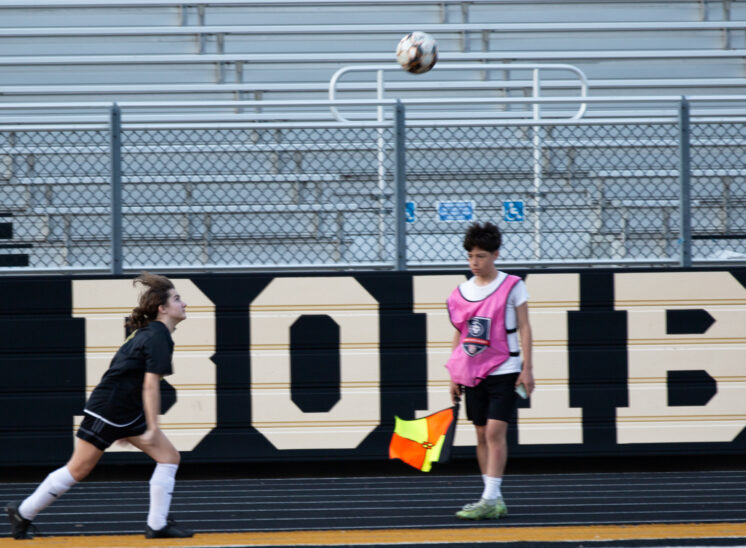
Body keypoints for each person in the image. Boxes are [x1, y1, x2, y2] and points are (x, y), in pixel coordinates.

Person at [5, 272, 194, 539]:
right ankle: (23, 512)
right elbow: (150, 385)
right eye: (177, 299)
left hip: (126, 412)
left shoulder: (151, 334)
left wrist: (132, 425)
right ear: (162, 308)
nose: (184, 303)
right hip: (109, 410)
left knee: (169, 457)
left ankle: (157, 525)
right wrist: (152, 427)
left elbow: (127, 374)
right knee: (78, 468)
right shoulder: (157, 336)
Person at [445, 222, 534, 520]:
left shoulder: (513, 285)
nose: (474, 262)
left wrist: (527, 368)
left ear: (496, 255)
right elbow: (460, 334)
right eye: (471, 256)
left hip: (505, 368)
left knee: (495, 432)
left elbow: (524, 327)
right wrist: (454, 374)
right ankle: (493, 497)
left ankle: (488, 499)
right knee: (481, 433)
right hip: (474, 372)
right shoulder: (461, 292)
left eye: (481, 256)